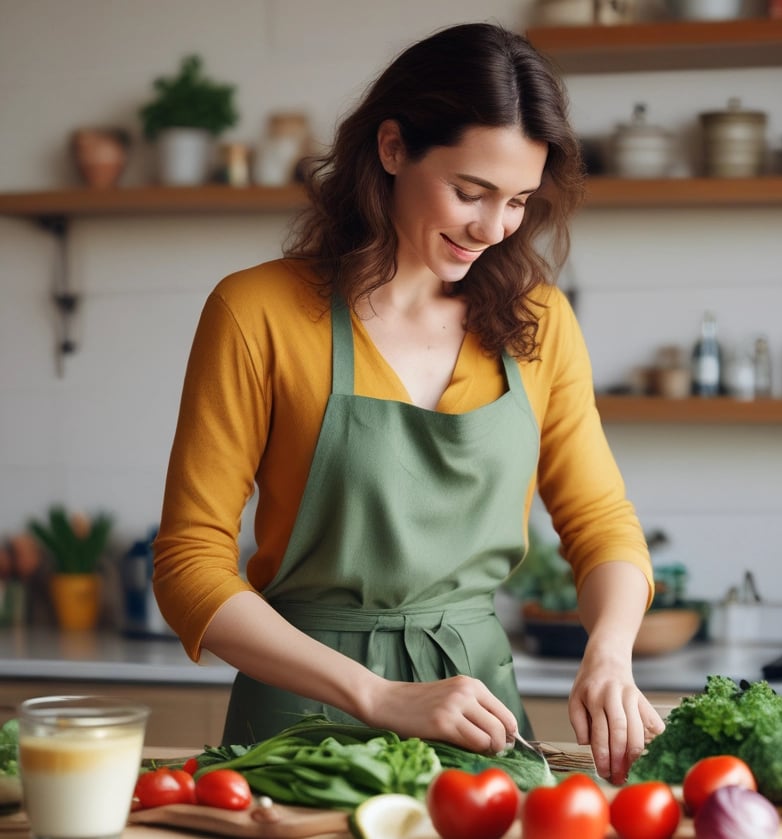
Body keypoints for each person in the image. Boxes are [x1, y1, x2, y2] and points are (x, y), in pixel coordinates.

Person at [152, 21, 662, 785]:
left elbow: (602, 524)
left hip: (478, 718)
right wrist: (380, 695)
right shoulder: (256, 311)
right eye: (470, 191)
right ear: (392, 149)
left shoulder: (540, 321)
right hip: (300, 728)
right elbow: (188, 564)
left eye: (519, 200)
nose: (493, 229)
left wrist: (610, 652)